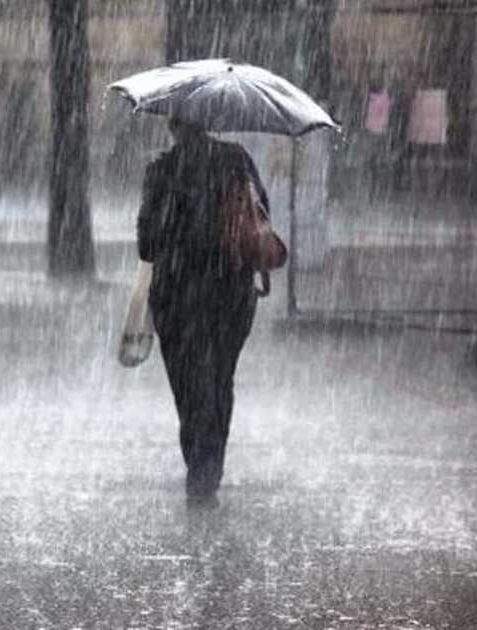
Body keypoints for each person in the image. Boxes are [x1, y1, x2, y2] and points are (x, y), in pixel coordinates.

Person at [136, 118, 270, 505]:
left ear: (172, 126)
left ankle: (199, 461)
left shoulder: (161, 171)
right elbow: (262, 216)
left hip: (177, 296)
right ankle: (209, 467)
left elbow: (146, 246)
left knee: (188, 387)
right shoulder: (237, 160)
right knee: (220, 379)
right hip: (231, 291)